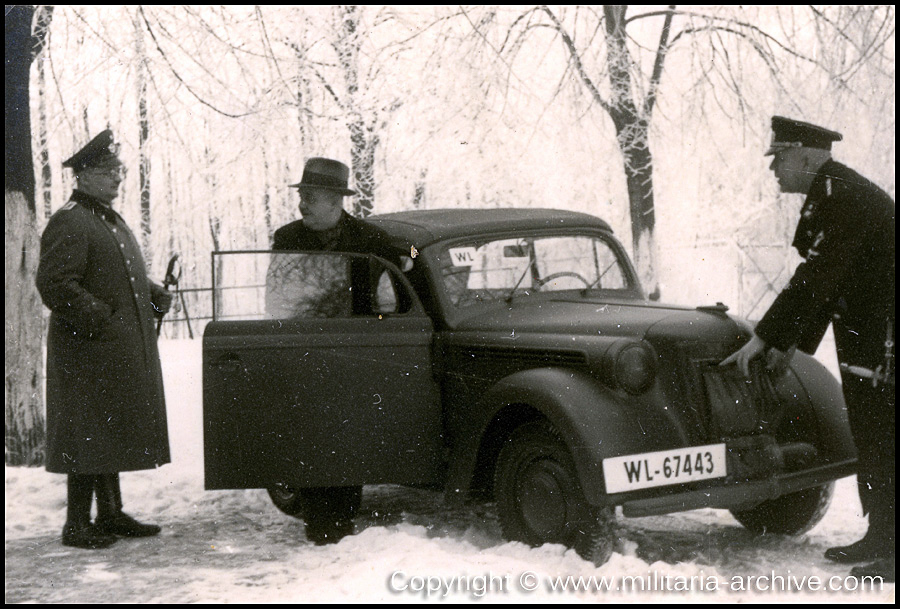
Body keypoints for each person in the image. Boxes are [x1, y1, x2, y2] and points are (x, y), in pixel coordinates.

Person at [721, 116, 895, 581]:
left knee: (887, 436)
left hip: (885, 339)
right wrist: (790, 341)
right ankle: (883, 536)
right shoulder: (832, 193)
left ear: (803, 154)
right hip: (871, 337)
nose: (773, 169)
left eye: (777, 158)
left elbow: (817, 276)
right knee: (873, 435)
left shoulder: (845, 197)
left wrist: (768, 336)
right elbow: (829, 279)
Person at [36, 130, 173, 550]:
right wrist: (101, 317)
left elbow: (112, 273)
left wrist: (152, 292)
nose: (118, 179)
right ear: (85, 176)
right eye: (109, 172)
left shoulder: (106, 219)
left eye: (119, 171)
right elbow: (55, 283)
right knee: (87, 433)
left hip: (107, 351)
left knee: (104, 431)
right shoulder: (71, 219)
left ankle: (110, 514)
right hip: (86, 351)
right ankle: (76, 524)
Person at [268, 157, 408, 544]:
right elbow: (277, 299)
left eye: (310, 197)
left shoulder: (371, 240)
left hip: (354, 356)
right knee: (309, 438)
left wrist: (378, 336)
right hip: (304, 353)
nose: (302, 205)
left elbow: (392, 294)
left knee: (348, 440)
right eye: (301, 197)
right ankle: (318, 523)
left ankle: (342, 524)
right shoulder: (287, 239)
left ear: (335, 200)